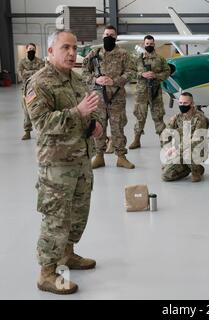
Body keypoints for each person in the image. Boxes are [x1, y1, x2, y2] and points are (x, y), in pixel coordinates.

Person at [25, 30, 103, 294]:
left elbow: (89, 111)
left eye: (75, 48)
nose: (72, 53)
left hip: (81, 159)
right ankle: (46, 273)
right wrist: (77, 112)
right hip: (57, 165)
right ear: (50, 51)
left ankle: (67, 254)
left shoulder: (76, 80)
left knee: (78, 214)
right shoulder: (39, 83)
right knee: (56, 219)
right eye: (65, 48)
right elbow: (42, 123)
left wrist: (95, 124)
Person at [82, 25, 136, 169]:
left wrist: (115, 81)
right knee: (99, 126)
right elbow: (84, 72)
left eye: (112, 35)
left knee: (118, 127)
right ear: (103, 36)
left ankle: (121, 157)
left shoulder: (123, 54)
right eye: (106, 34)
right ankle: (99, 156)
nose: (109, 37)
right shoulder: (95, 53)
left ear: (116, 37)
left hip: (117, 98)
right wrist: (95, 80)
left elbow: (131, 72)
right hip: (98, 98)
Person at [129, 35, 171, 149]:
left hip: (155, 92)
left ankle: (163, 141)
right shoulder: (137, 59)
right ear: (144, 44)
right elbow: (130, 72)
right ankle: (136, 140)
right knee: (140, 117)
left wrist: (156, 75)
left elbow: (167, 71)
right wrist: (141, 74)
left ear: (154, 44)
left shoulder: (160, 59)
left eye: (151, 44)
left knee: (158, 117)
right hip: (141, 93)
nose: (149, 46)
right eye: (147, 44)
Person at [161, 92, 209, 182]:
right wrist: (167, 149)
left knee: (187, 153)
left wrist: (177, 149)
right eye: (180, 103)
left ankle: (196, 171)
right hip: (181, 150)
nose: (182, 105)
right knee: (166, 175)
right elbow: (166, 134)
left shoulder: (199, 118)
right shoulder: (177, 117)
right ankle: (190, 168)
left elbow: (196, 140)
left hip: (197, 150)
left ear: (192, 104)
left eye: (185, 103)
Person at [17, 43, 45, 140]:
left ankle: (41, 131)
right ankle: (27, 132)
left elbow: (42, 74)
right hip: (26, 90)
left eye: (33, 49)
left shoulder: (40, 61)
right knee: (26, 111)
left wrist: (28, 72)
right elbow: (21, 75)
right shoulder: (21, 62)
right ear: (26, 50)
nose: (31, 50)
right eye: (29, 49)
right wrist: (35, 72)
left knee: (40, 110)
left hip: (38, 89)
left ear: (35, 50)